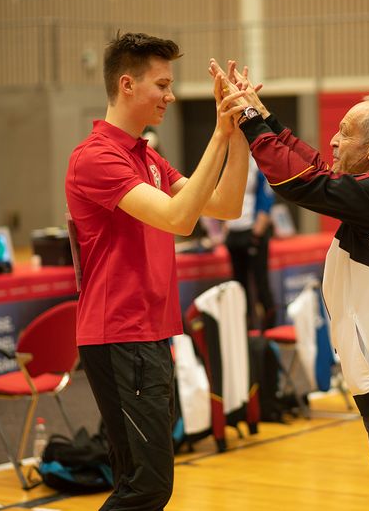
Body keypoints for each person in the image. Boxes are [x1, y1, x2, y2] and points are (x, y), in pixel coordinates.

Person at [214, 60, 369, 511]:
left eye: (344, 132)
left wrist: (249, 122)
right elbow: (316, 167)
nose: (333, 139)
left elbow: (303, 182)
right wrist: (263, 114)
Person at [64, 33, 248, 510]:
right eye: (162, 84)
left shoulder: (147, 156)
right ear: (127, 84)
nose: (170, 95)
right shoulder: (95, 157)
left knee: (138, 484)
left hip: (148, 335)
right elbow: (179, 219)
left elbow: (225, 204)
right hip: (119, 335)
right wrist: (219, 132)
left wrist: (242, 128)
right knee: (148, 487)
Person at [224, 153, 277, 331]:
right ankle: (243, 329)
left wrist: (259, 228)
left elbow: (267, 194)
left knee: (260, 281)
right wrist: (225, 225)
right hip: (234, 230)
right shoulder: (229, 157)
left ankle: (269, 331)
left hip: (253, 229)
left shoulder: (258, 160)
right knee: (239, 284)